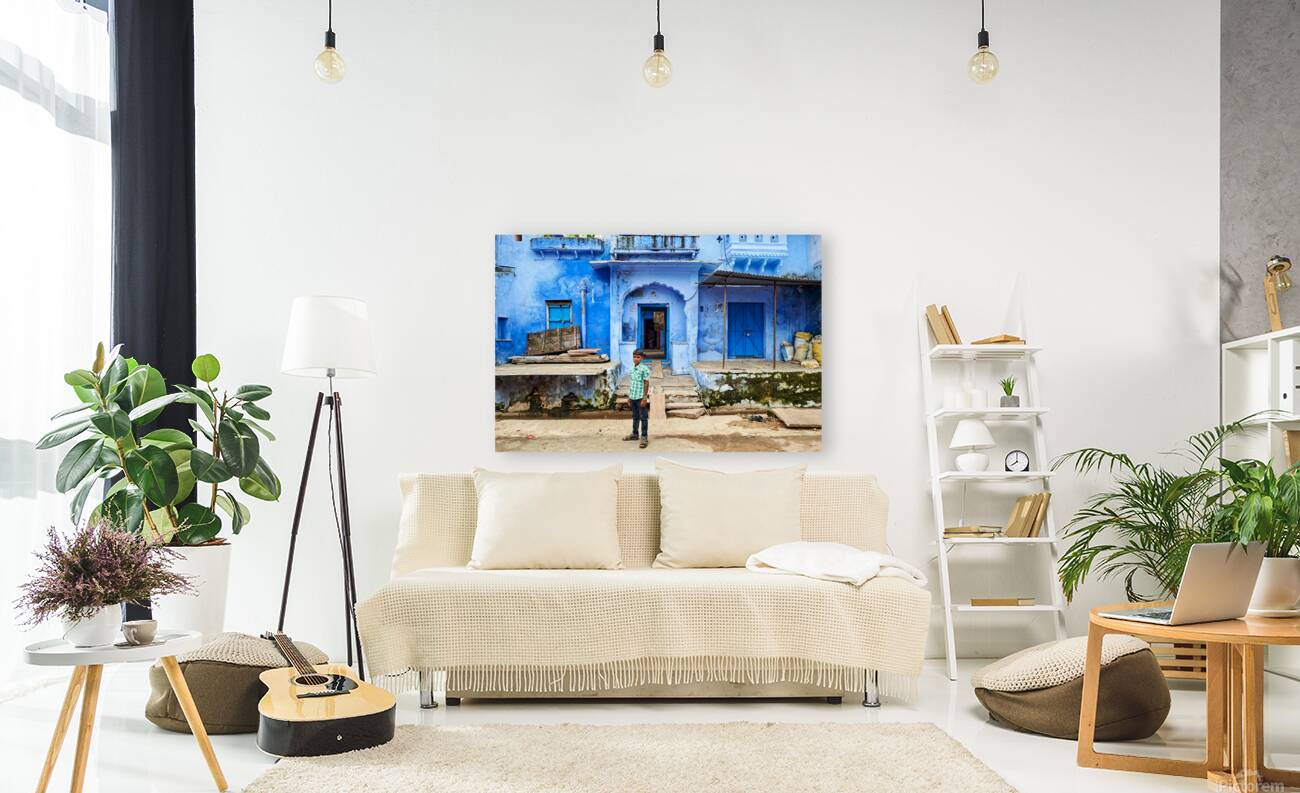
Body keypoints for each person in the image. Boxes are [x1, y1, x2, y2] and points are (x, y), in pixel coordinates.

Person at [624, 349, 652, 448]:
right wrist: (629, 397)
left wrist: (645, 398)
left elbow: (646, 383)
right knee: (635, 417)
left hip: (640, 397)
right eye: (634, 357)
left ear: (642, 358)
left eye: (638, 357)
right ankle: (635, 434)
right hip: (633, 397)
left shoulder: (644, 369)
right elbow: (632, 383)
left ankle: (644, 437)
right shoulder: (633, 368)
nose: (635, 359)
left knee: (643, 418)